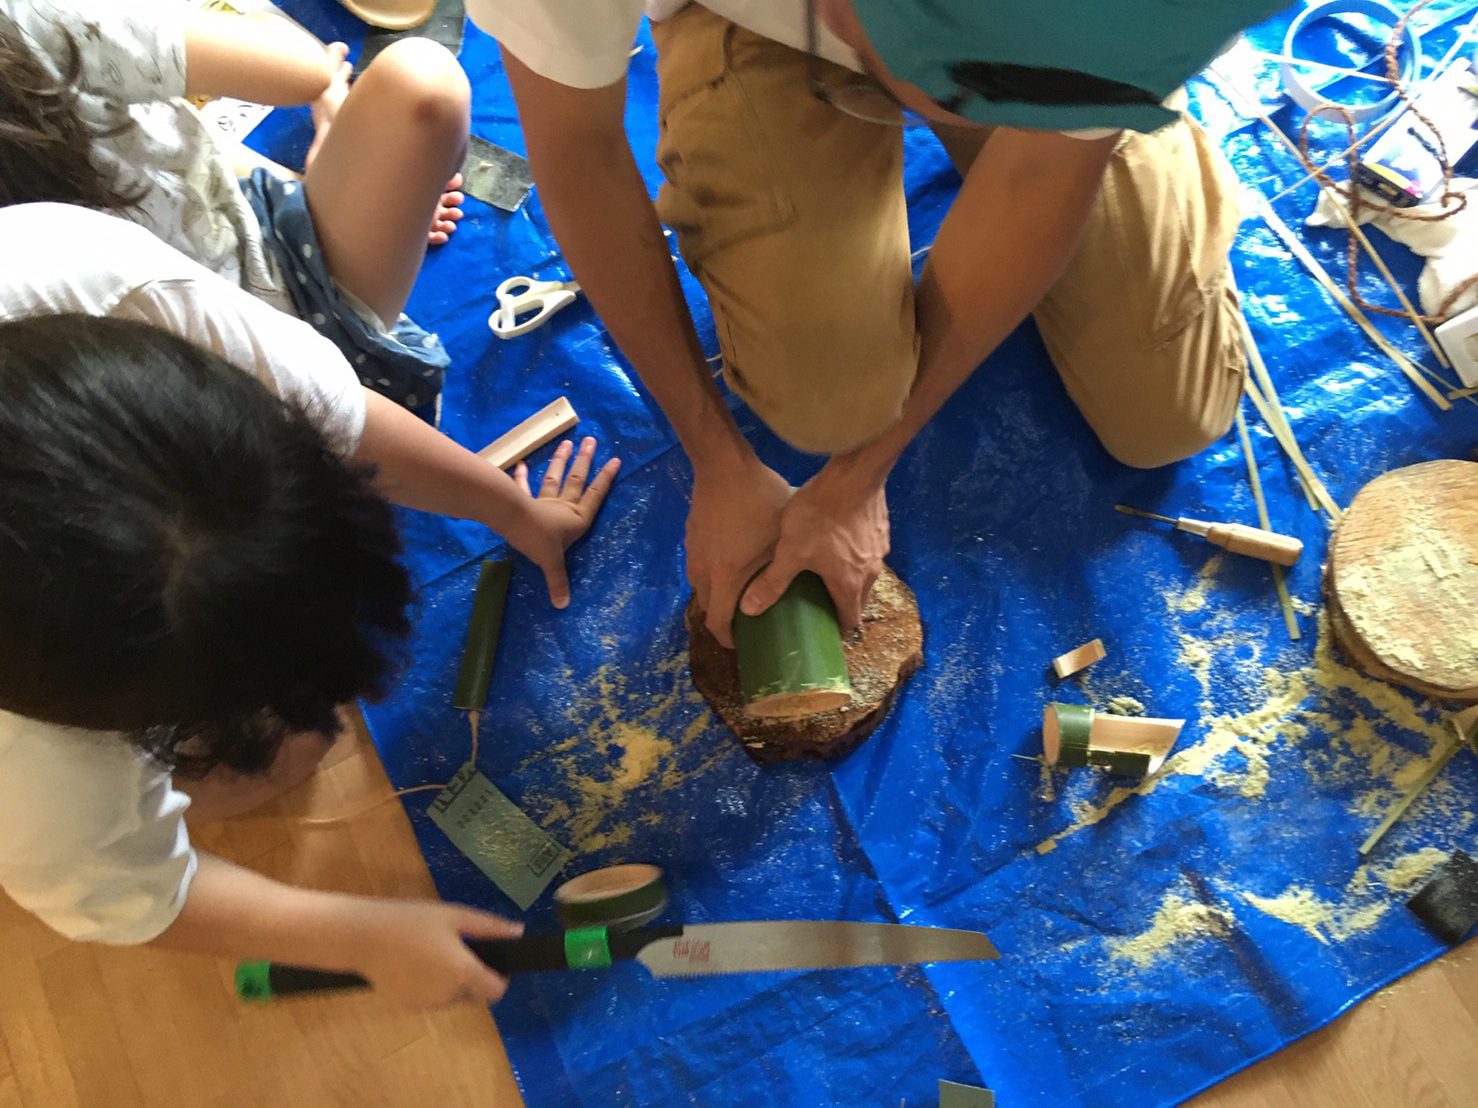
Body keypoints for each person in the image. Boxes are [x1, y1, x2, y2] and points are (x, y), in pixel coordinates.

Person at [467, 0, 1285, 646]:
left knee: (1168, 419)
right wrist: (715, 457)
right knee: (826, 399)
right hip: (762, 23)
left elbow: (1040, 173)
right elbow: (578, 153)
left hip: (1066, 43)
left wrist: (862, 476)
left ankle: (1117, 102)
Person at [0, 200, 620, 1008]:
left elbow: (345, 423)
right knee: (284, 763)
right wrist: (354, 933)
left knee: (291, 742)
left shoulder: (96, 278)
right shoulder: (37, 779)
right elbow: (126, 888)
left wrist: (517, 512)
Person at [0, 0, 468, 413]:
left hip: (157, 406)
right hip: (283, 344)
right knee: (423, 82)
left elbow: (145, 157)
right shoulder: (33, 18)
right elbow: (304, 68)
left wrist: (340, 172)